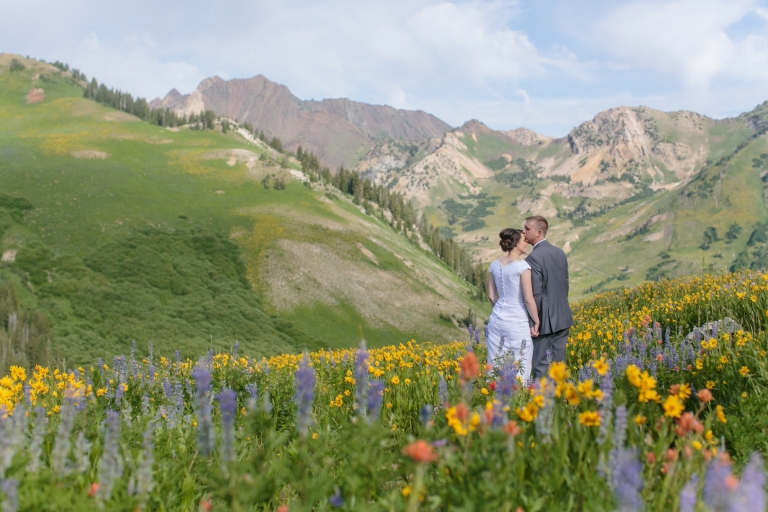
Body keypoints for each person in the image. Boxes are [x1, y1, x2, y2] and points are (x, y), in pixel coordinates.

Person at [522, 215, 574, 380]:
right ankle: (561, 394)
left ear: (538, 233)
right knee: (559, 364)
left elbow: (535, 293)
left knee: (541, 366)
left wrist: (534, 321)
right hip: (563, 316)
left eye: (527, 228)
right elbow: (565, 284)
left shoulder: (534, 257)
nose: (523, 231)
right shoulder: (559, 252)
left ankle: (541, 396)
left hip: (545, 320)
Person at [486, 228, 540, 382]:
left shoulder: (494, 265)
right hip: (517, 321)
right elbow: (528, 299)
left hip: (496, 319)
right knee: (521, 361)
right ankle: (519, 394)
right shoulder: (522, 267)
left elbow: (491, 296)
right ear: (516, 244)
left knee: (495, 362)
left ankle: (492, 392)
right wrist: (536, 321)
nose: (526, 243)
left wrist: (500, 309)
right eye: (523, 241)